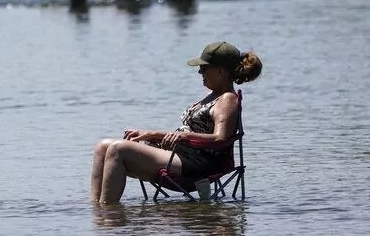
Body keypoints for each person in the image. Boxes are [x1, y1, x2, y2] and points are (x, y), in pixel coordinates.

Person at [91, 41, 262, 204]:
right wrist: (152, 134)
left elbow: (220, 138)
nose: (199, 72)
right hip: (180, 154)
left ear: (220, 71)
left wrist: (183, 136)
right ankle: (96, 210)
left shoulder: (227, 99)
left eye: (203, 68)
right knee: (102, 146)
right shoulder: (213, 95)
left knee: (118, 149)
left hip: (197, 164)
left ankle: (108, 216)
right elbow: (182, 135)